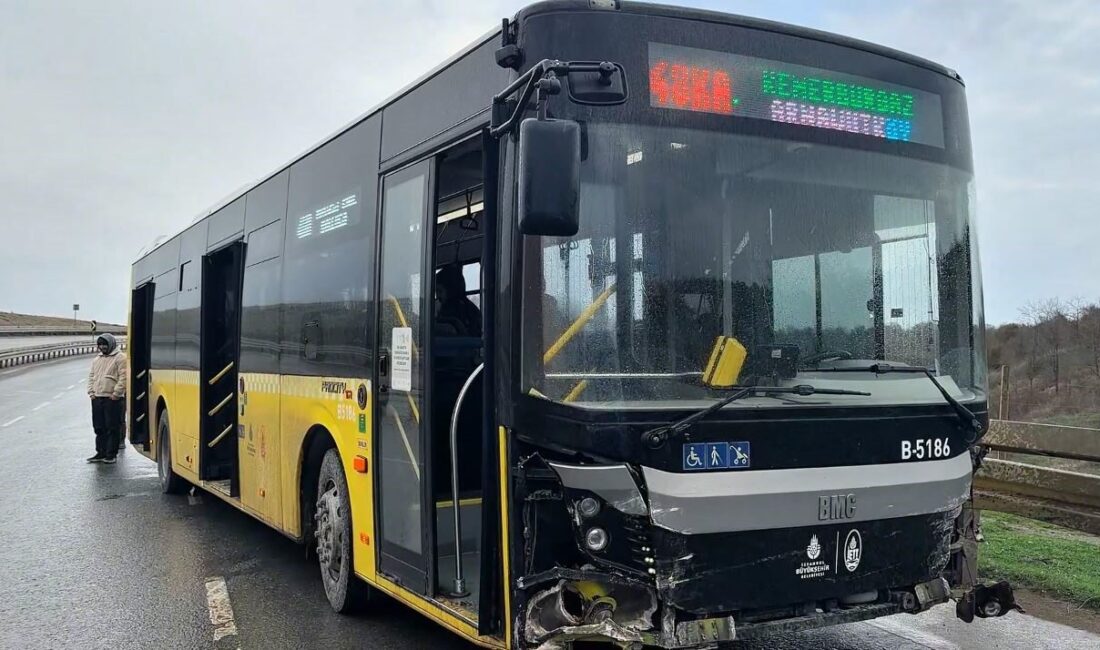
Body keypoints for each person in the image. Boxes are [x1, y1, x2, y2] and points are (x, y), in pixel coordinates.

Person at [87, 333, 127, 464]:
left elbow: (124, 377)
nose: (102, 347)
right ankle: (100, 452)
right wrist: (91, 392)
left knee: (112, 427)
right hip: (97, 398)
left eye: (105, 344)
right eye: (100, 345)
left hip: (112, 399)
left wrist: (116, 393)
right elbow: (92, 376)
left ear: (111, 344)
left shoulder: (120, 358)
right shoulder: (97, 359)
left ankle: (111, 454)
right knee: (99, 427)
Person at [434, 264, 482, 337]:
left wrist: (435, 316)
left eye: (440, 291)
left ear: (450, 291)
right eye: (436, 292)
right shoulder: (470, 307)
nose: (437, 296)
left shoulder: (460, 310)